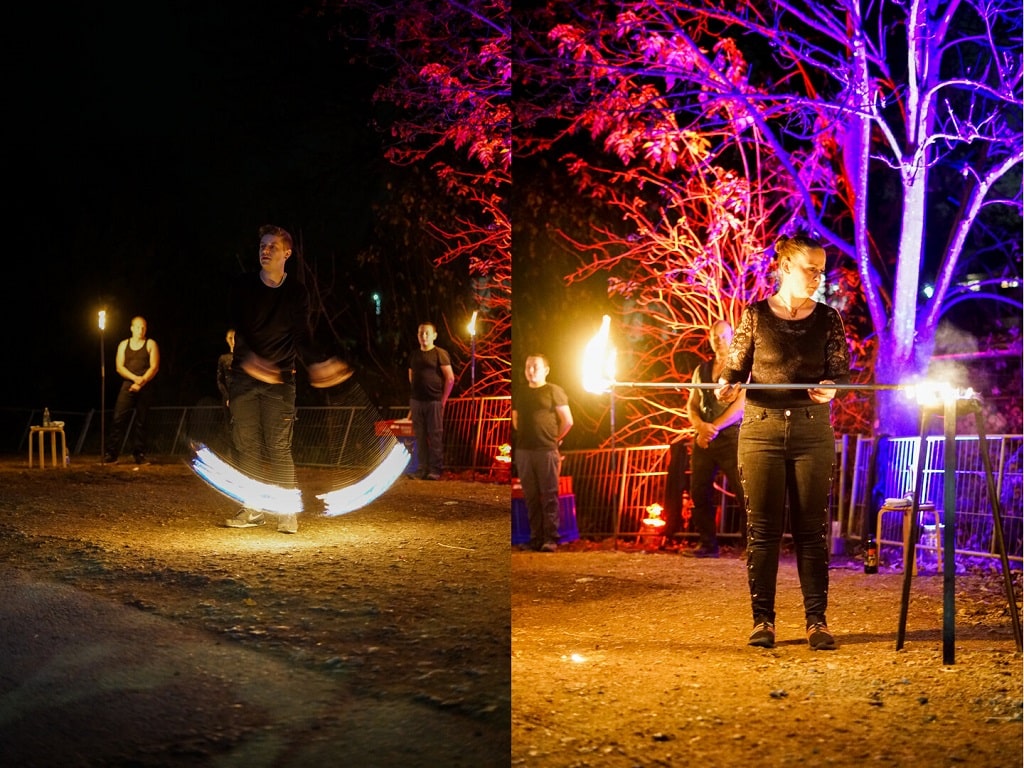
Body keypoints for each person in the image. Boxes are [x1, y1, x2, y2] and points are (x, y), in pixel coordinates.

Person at [717, 233, 850, 651]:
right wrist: (726, 386)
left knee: (811, 529)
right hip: (760, 429)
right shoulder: (755, 315)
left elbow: (839, 372)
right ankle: (763, 622)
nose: (818, 277)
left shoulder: (828, 319)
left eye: (821, 270)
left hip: (812, 430)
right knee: (763, 530)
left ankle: (817, 621)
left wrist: (831, 388)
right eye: (812, 269)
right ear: (787, 266)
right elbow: (735, 368)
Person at [225, 224, 352, 534]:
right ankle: (252, 508)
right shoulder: (244, 286)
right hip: (244, 379)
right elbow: (238, 328)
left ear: (287, 253)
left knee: (278, 446)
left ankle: (286, 510)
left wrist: (317, 364)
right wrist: (251, 359)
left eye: (271, 246)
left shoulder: (296, 292)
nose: (264, 250)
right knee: (247, 445)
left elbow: (301, 335)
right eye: (262, 246)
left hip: (281, 381)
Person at [683, 320, 745, 558]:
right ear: (710, 339)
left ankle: (750, 545)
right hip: (705, 436)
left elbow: (740, 406)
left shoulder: (740, 367)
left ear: (732, 336)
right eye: (715, 336)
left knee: (743, 491)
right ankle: (707, 544)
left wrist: (713, 427)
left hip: (730, 436)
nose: (719, 340)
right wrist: (700, 426)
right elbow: (692, 403)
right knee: (698, 490)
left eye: (723, 335)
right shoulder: (701, 370)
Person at [512, 354, 573, 552]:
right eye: (528, 366)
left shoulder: (554, 391)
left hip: (546, 450)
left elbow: (568, 420)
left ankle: (550, 538)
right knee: (530, 496)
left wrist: (555, 439)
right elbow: (515, 420)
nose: (531, 370)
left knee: (549, 495)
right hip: (524, 451)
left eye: (535, 367)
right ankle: (535, 538)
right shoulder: (521, 392)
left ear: (546, 370)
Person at [104, 316, 160, 465]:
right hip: (128, 384)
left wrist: (142, 381)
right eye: (138, 327)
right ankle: (111, 453)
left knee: (142, 421)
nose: (141, 330)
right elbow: (119, 367)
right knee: (118, 418)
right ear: (132, 328)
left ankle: (139, 454)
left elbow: (154, 366)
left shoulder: (150, 344)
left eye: (143, 327)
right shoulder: (123, 344)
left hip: (145, 385)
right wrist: (135, 379)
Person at [407, 323, 455, 480]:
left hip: (434, 401)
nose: (424, 336)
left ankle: (435, 469)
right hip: (416, 401)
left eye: (427, 333)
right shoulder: (414, 355)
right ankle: (422, 468)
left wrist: (443, 400)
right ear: (417, 335)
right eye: (421, 333)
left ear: (434, 335)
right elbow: (411, 376)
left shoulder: (440, 353)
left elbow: (450, 378)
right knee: (419, 436)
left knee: (435, 436)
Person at [216, 329, 235, 410]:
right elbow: (220, 380)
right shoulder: (224, 358)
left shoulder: (246, 357)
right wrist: (227, 396)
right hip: (229, 397)